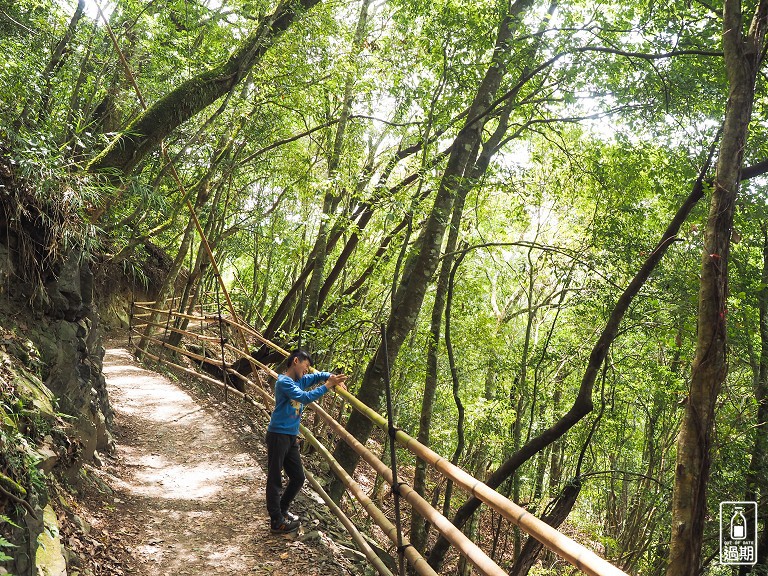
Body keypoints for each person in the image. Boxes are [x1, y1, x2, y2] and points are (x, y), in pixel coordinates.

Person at [266, 349, 347, 534]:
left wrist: (333, 378)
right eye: (305, 366)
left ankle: (282, 508)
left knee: (298, 477)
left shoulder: (300, 380)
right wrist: (328, 385)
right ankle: (276, 521)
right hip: (278, 435)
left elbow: (317, 376)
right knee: (275, 478)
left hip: (290, 436)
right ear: (296, 361)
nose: (307, 370)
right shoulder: (284, 382)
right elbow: (304, 397)